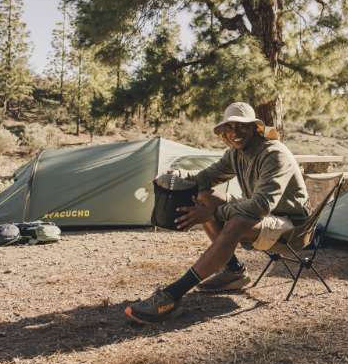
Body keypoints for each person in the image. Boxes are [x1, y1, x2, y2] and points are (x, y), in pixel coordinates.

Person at [124, 102, 309, 324]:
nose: (235, 133)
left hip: (293, 227)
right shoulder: (236, 153)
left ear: (255, 128)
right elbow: (206, 178)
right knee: (203, 195)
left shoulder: (273, 154)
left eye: (242, 127)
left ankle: (171, 295)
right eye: (229, 128)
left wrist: (213, 214)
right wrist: (176, 175)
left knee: (237, 221)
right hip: (264, 218)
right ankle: (234, 272)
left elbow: (261, 205)